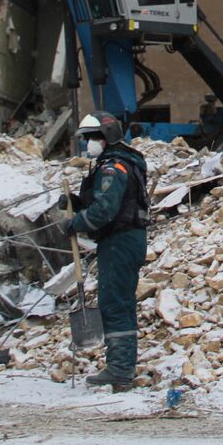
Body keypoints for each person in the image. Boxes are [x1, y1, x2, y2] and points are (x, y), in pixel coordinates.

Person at [64, 111, 151, 390]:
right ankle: (122, 367)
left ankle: (120, 370)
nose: (87, 143)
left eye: (92, 138)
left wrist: (76, 223)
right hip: (123, 239)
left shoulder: (113, 167)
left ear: (107, 137)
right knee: (120, 302)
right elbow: (112, 202)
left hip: (120, 241)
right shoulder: (120, 162)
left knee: (114, 303)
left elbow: (105, 210)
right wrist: (78, 204)